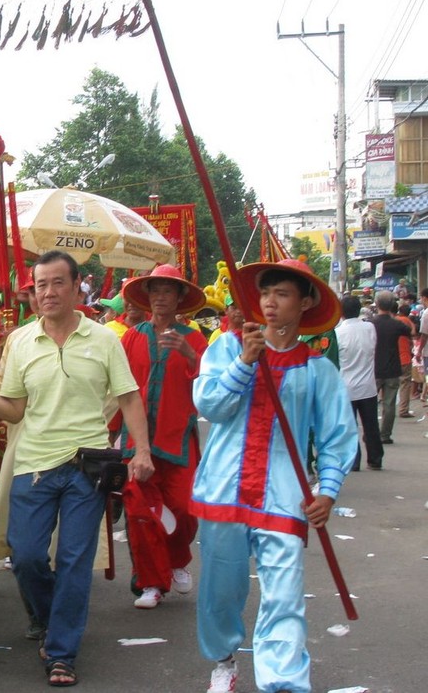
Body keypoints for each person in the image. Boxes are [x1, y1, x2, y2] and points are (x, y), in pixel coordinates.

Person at [0, 250, 153, 688]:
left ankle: (61, 651)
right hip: (33, 466)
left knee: (74, 560)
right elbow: (15, 409)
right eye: (40, 285)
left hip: (87, 467)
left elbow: (129, 397)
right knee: (24, 557)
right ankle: (46, 617)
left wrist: (142, 452)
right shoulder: (21, 341)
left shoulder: (104, 340)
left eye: (57, 282)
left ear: (77, 285)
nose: (47, 292)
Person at [192, 258, 355, 693]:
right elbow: (210, 406)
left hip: (285, 496)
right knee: (221, 591)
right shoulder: (226, 349)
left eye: (282, 294)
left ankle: (282, 682)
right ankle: (223, 662)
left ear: (304, 304)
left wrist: (329, 491)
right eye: (266, 294)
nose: (270, 303)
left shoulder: (319, 370)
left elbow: (338, 437)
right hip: (224, 490)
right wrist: (246, 362)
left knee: (284, 593)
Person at [119, 264, 209, 609]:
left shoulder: (196, 338)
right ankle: (151, 583)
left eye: (167, 291)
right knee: (141, 513)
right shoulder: (132, 337)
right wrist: (111, 434)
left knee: (184, 509)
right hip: (134, 440)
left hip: (178, 438)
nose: (160, 298)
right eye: (155, 291)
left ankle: (177, 559)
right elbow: (119, 389)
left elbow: (209, 386)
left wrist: (189, 355)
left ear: (179, 299)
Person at [335, 296, 383, 471]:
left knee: (350, 427)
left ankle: (354, 461)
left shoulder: (338, 333)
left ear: (341, 312)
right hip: (368, 386)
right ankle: (375, 458)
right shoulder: (369, 328)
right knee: (371, 425)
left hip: (346, 386)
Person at [370, 290, 409, 446]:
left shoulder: (370, 323)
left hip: (374, 368)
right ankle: (385, 434)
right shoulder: (396, 324)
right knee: (389, 403)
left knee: (371, 403)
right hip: (393, 368)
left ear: (377, 304)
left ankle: (371, 432)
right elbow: (410, 332)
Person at [395, 302, 416, 418]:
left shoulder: (393, 320)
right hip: (404, 356)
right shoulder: (406, 321)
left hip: (392, 358)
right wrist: (412, 324)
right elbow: (412, 333)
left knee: (390, 384)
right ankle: (403, 410)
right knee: (405, 384)